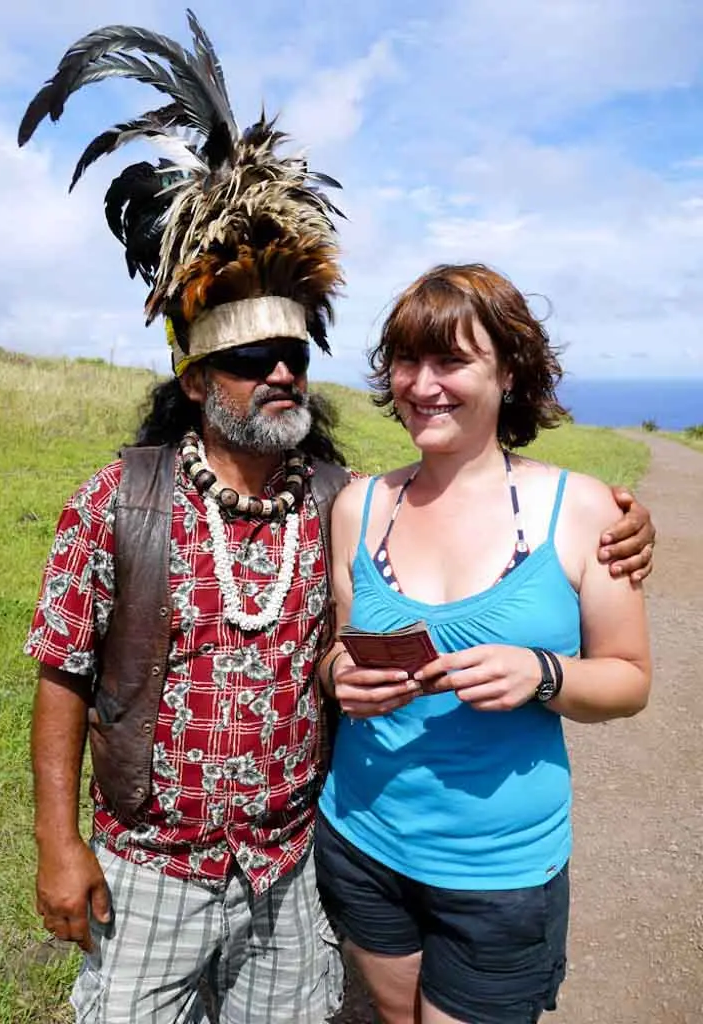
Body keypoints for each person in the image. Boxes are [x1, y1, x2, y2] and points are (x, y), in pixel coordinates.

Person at [20, 14, 655, 1024]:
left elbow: (450, 534)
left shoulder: (335, 496)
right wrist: (61, 843)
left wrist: (623, 520)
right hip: (152, 873)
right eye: (245, 360)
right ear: (193, 380)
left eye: (293, 357)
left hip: (291, 867)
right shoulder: (121, 499)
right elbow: (62, 671)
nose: (277, 373)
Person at [314, 263, 652, 1024]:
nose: (422, 384)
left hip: (501, 873)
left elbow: (630, 680)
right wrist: (341, 677)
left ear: (510, 372)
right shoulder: (359, 505)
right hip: (360, 840)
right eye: (407, 360)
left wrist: (542, 672)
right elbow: (340, 644)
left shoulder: (584, 509)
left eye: (451, 360)